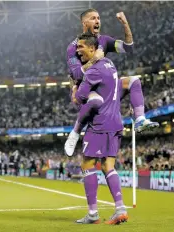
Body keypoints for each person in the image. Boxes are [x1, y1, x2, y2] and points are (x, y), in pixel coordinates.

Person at [65, 9, 159, 156]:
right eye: (93, 18)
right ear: (84, 23)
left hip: (105, 89)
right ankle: (75, 133)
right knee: (96, 100)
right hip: (85, 92)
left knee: (134, 81)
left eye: (98, 18)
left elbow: (128, 48)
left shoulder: (104, 40)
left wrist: (125, 24)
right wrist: (94, 59)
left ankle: (140, 119)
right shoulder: (74, 47)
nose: (97, 21)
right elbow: (76, 74)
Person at [72, 32, 128, 225]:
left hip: (99, 124)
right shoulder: (110, 64)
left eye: (81, 47)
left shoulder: (93, 71)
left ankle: (93, 213)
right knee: (108, 166)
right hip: (116, 121)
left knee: (87, 165)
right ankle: (120, 208)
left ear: (92, 48)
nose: (78, 51)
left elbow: (79, 98)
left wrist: (76, 90)